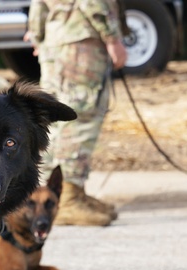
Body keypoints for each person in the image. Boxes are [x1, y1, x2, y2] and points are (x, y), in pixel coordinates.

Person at [26, 0, 126, 226]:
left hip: (57, 38)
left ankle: (59, 194)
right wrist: (113, 38)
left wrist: (37, 32)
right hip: (81, 40)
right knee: (81, 115)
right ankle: (69, 198)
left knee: (55, 118)